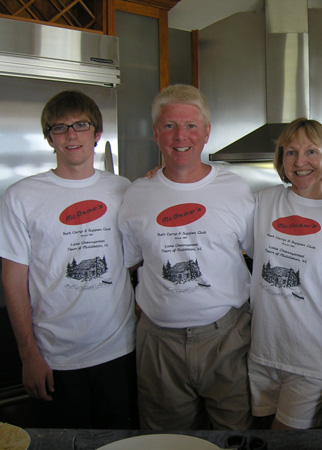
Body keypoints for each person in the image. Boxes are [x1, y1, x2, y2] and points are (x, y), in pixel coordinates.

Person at [118, 84, 254, 430]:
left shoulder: (237, 190)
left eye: (191, 126)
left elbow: (260, 255)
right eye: (169, 126)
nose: (181, 136)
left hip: (227, 339)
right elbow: (131, 261)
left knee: (232, 437)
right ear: (155, 133)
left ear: (206, 133)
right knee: (165, 440)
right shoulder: (136, 194)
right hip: (159, 345)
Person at [0, 90, 137, 429]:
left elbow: (135, 261)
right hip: (54, 358)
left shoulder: (124, 190)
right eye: (59, 128)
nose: (71, 134)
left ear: (97, 133)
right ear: (49, 138)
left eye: (80, 124)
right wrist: (28, 355)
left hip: (121, 352)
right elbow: (13, 281)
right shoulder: (20, 196)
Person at [248, 118, 322, 429]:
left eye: (312, 152)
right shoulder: (263, 201)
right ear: (281, 159)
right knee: (262, 436)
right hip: (262, 352)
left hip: (312, 359)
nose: (301, 162)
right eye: (291, 152)